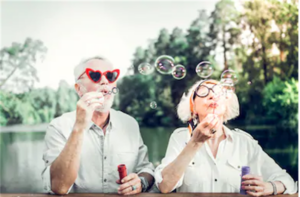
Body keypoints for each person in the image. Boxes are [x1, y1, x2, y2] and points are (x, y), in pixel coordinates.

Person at [155, 79, 298, 196]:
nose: (212, 96)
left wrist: (269, 187)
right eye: (203, 92)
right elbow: (164, 185)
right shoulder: (180, 138)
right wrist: (194, 143)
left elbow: (287, 181)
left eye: (218, 92)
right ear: (193, 108)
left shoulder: (244, 142)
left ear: (226, 106)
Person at [42, 56, 154, 195]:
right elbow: (59, 187)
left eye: (110, 76)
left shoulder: (129, 123)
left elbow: (146, 169)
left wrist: (141, 182)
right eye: (95, 75)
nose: (104, 81)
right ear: (79, 89)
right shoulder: (59, 126)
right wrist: (79, 127)